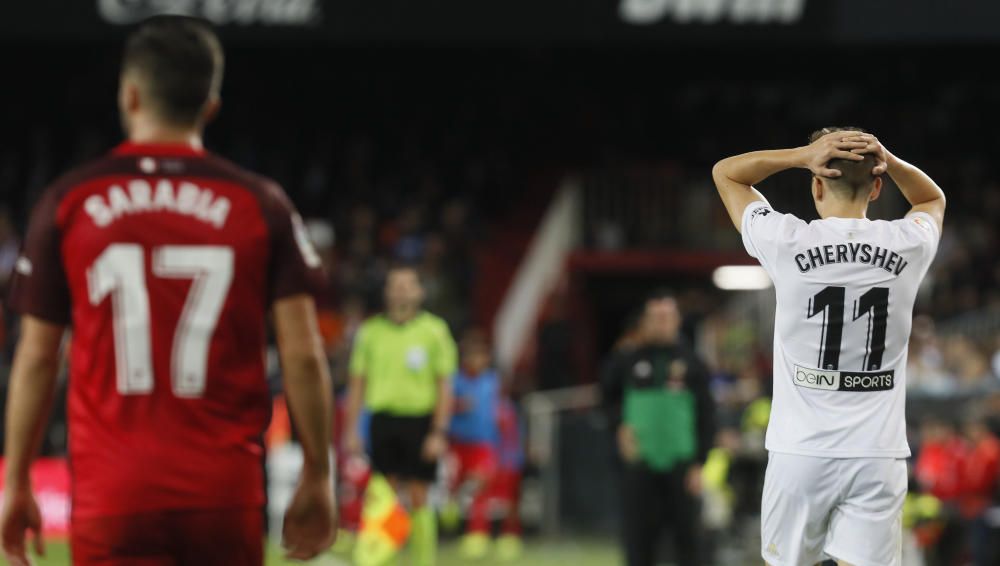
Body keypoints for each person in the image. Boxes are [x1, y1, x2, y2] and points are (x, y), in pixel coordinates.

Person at [0, 16, 337, 566]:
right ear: (210, 105)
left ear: (130, 95)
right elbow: (302, 355)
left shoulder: (70, 201)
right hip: (223, 495)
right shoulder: (261, 204)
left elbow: (38, 358)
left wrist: (16, 481)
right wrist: (319, 475)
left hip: (114, 494)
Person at [713, 127, 945, 566]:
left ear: (817, 182)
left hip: (800, 452)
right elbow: (932, 201)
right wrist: (887, 158)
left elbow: (727, 174)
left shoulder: (787, 240)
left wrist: (802, 154)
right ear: (877, 186)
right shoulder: (908, 243)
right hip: (877, 454)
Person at [343, 265, 457, 566]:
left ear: (420, 291)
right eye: (396, 285)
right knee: (382, 495)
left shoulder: (435, 331)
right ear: (386, 292)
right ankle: (376, 559)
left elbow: (445, 385)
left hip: (420, 420)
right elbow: (357, 384)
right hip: (382, 420)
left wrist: (439, 431)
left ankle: (423, 560)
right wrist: (352, 429)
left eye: (408, 285)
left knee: (419, 494)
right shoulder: (369, 333)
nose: (402, 290)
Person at [601, 291, 716, 566]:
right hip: (640, 463)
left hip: (681, 463)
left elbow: (707, 415)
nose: (661, 323)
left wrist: (700, 462)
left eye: (667, 317)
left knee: (688, 541)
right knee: (639, 541)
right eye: (656, 317)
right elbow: (606, 399)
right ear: (645, 321)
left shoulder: (693, 364)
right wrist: (619, 428)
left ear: (676, 321)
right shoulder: (626, 360)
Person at [446, 330, 501, 559]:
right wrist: (458, 405)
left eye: (481, 356)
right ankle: (450, 518)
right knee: (456, 487)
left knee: (480, 484)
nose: (477, 361)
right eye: (472, 356)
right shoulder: (454, 381)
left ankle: (478, 534)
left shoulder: (492, 381)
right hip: (458, 443)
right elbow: (443, 406)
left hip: (483, 443)